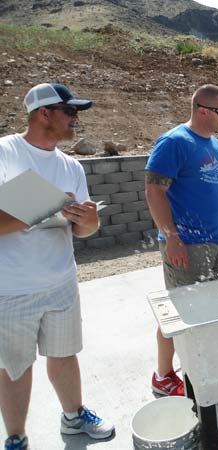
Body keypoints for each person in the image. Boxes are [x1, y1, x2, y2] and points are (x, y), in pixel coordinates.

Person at [0, 83, 115, 450]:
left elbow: (84, 232)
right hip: (12, 288)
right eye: (69, 112)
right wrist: (43, 203)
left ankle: (74, 416)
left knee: (65, 356)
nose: (76, 119)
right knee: (15, 367)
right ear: (43, 114)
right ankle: (16, 437)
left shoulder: (71, 166)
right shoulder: (5, 152)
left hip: (61, 282)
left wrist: (88, 219)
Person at [145, 84, 218, 396]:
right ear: (202, 110)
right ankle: (164, 376)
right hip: (186, 245)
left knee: (210, 309)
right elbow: (154, 190)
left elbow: (212, 191)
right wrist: (172, 238)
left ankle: (198, 366)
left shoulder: (214, 144)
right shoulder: (174, 142)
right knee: (180, 312)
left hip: (215, 243)